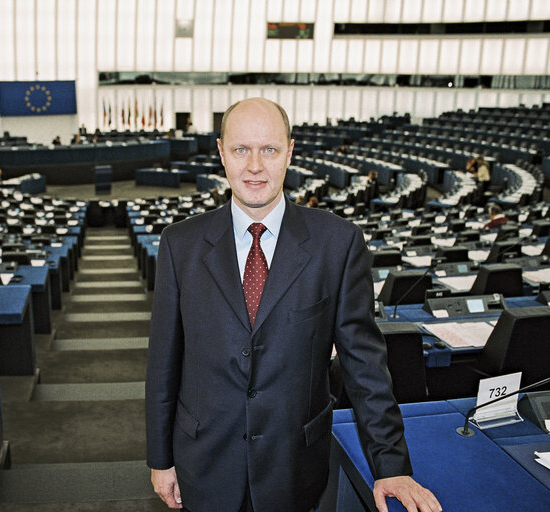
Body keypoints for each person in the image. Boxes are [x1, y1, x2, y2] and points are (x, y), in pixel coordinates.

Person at [146, 98, 441, 512]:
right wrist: (160, 459)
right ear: (220, 153)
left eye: (268, 149)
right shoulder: (180, 244)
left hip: (294, 466)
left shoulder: (337, 243)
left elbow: (364, 364)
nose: (254, 165)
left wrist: (390, 465)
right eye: (240, 149)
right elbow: (164, 363)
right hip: (203, 461)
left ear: (290, 152)